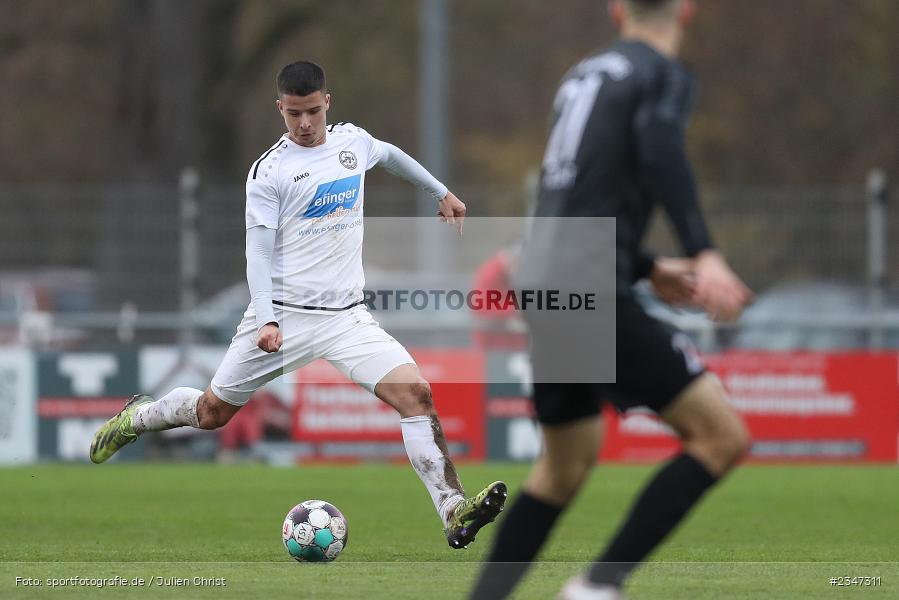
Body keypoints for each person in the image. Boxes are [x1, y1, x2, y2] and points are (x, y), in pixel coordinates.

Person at [90, 60, 506, 550]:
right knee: (212, 412)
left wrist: (441, 191)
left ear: (327, 101)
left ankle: (453, 510)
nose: (304, 124)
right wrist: (265, 316)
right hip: (283, 317)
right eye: (293, 115)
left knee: (415, 395)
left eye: (312, 112)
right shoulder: (270, 172)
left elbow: (389, 154)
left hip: (348, 318)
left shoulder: (352, 143)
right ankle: (139, 417)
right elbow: (258, 253)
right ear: (280, 109)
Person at [470, 0, 752, 597]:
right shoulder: (661, 72)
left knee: (563, 466)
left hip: (546, 273)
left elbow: (579, 192)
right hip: (586, 280)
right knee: (721, 437)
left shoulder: (585, 74)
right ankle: (598, 587)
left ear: (617, 9)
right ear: (686, 8)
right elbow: (659, 153)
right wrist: (704, 250)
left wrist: (646, 266)